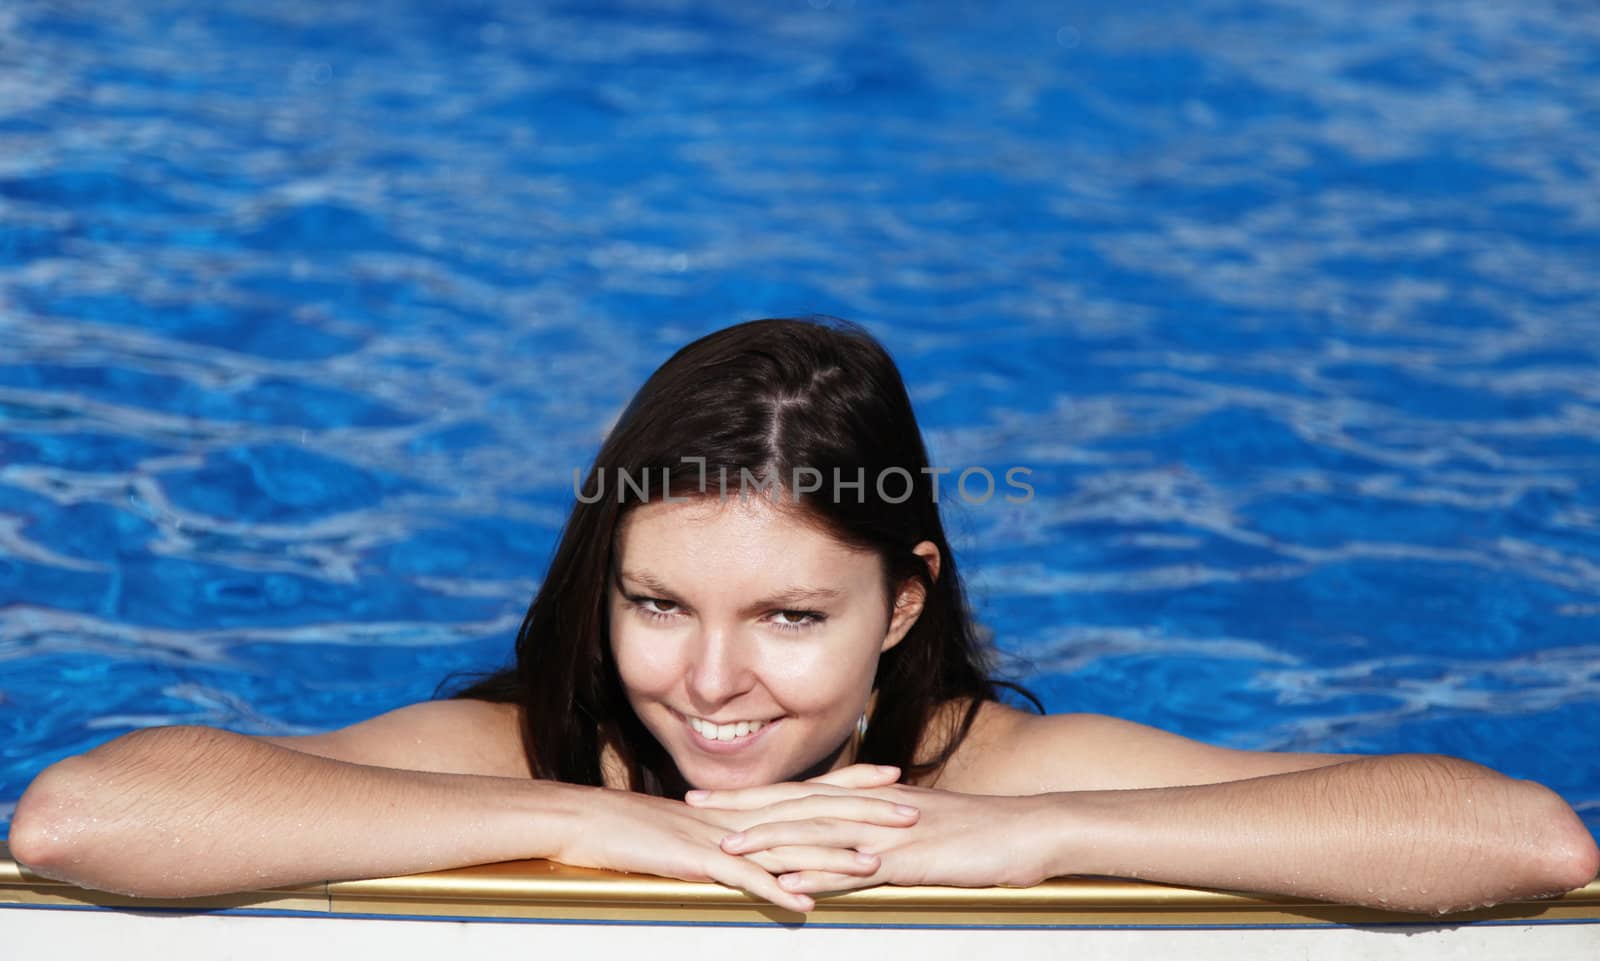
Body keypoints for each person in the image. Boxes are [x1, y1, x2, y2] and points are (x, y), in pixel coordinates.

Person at [10, 318, 1597, 916]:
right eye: (654, 602)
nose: (708, 680)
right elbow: (84, 814)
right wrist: (594, 829)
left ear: (904, 602)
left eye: (786, 614)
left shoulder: (993, 774)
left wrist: (1033, 841)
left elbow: (1523, 843)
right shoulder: (537, 756)